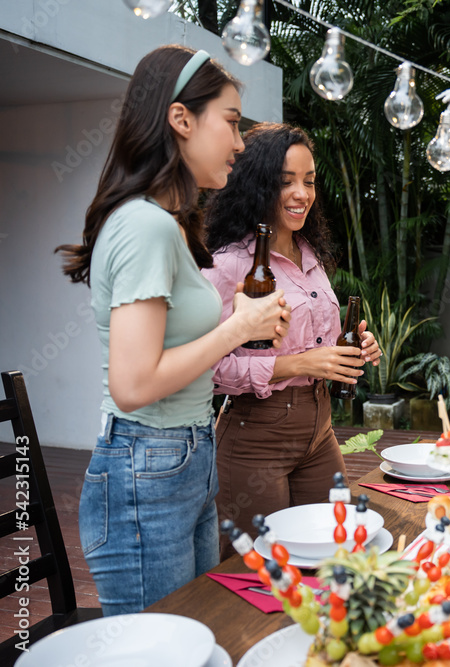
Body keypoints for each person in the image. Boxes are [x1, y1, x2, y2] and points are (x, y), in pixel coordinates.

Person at [57, 46, 291, 615]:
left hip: (179, 457)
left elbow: (172, 351)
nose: (240, 143)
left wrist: (240, 319)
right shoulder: (145, 226)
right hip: (148, 467)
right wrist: (239, 327)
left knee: (191, 636)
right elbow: (134, 385)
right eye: (232, 123)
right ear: (181, 119)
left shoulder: (167, 225)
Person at [202, 123, 380, 551]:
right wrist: (300, 364)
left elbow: (315, 340)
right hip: (255, 439)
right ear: (258, 185)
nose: (302, 193)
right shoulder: (229, 266)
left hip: (319, 431)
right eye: (286, 182)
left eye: (309, 181)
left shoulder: (310, 255)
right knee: (261, 576)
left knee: (334, 553)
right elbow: (209, 369)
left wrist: (352, 345)